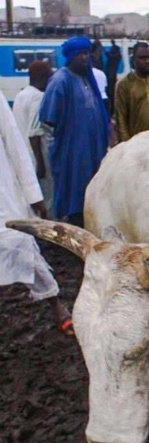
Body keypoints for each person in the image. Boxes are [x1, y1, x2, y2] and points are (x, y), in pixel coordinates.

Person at [0, 88, 73, 336]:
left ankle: (56, 304)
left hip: (2, 195)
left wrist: (34, 196)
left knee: (20, 244)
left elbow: (14, 144)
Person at [39, 36, 109, 226]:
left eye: (87, 53)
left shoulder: (89, 78)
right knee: (75, 190)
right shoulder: (60, 80)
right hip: (72, 149)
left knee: (94, 186)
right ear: (70, 57)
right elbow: (48, 117)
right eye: (81, 54)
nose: (86, 58)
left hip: (93, 147)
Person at [12, 62, 54, 216]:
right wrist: (41, 165)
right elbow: (34, 134)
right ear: (43, 78)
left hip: (23, 154)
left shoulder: (21, 95)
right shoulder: (38, 97)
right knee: (46, 196)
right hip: (37, 156)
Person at [106, 39, 122, 115]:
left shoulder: (116, 55)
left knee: (111, 95)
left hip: (111, 75)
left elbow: (113, 57)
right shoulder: (115, 53)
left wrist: (106, 53)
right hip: (110, 75)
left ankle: (111, 111)